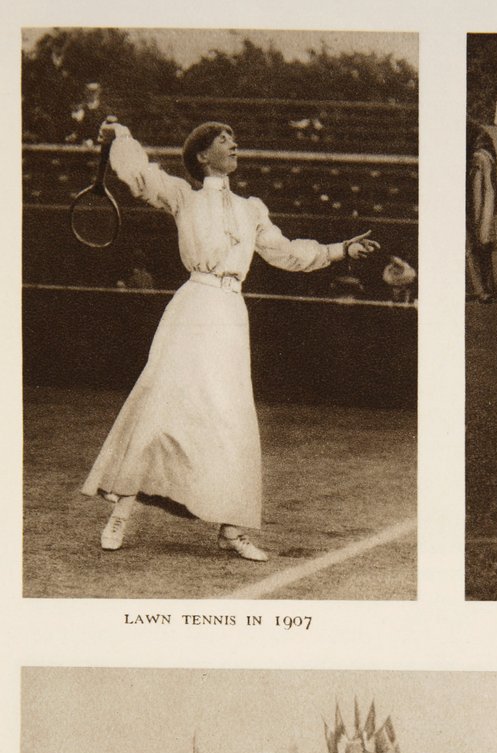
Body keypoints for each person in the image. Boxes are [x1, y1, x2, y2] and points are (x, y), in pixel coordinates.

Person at [82, 118, 380, 559]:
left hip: (230, 315)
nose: (235, 144)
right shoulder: (182, 195)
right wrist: (120, 138)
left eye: (235, 139)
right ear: (203, 156)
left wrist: (339, 250)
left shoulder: (252, 209)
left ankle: (231, 530)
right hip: (192, 309)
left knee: (231, 418)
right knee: (161, 407)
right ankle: (121, 514)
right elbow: (140, 175)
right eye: (224, 141)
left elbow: (286, 253)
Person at [466, 122, 497, 302]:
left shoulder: (475, 130)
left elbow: (486, 150)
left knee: (481, 241)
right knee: (469, 243)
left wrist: (478, 158)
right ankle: (479, 288)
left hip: (476, 189)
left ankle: (486, 288)